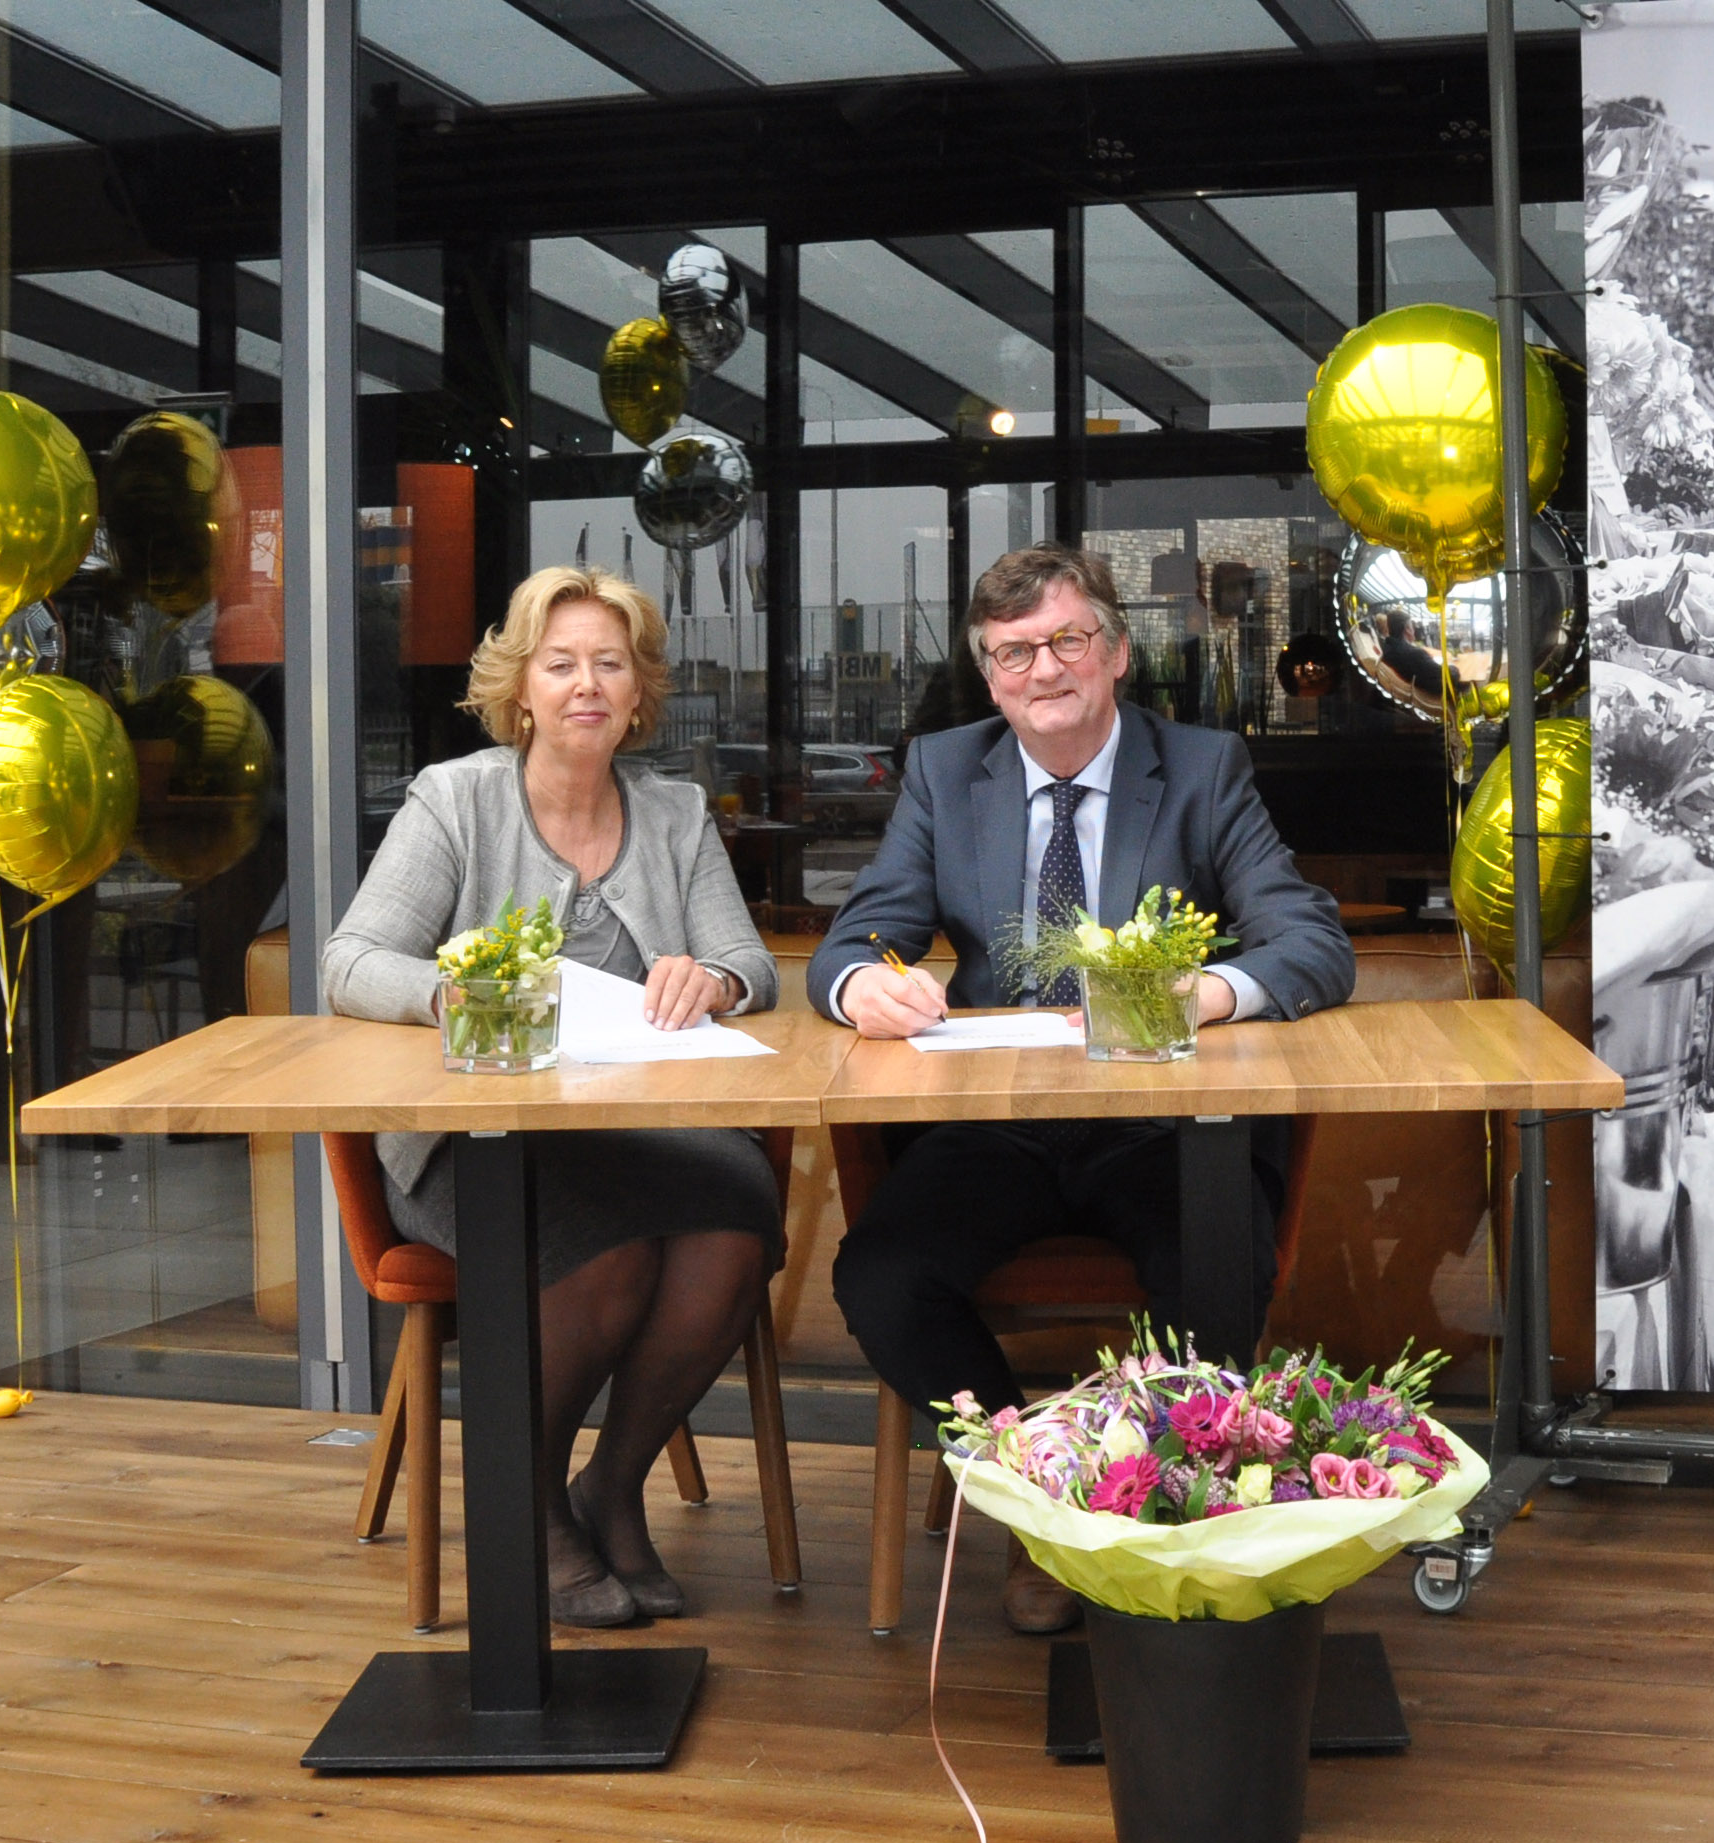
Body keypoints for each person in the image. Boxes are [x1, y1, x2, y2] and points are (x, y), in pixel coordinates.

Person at [819, 542, 1354, 1634]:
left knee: (1214, 1263)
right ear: (990, 676)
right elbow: (859, 935)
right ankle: (1047, 1511)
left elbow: (1309, 940)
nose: (1044, 668)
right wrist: (862, 985)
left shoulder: (1200, 768)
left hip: (1161, 1120)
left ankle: (1153, 1509)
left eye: (1067, 639)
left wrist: (1203, 993)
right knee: (881, 1277)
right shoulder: (945, 769)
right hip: (997, 1124)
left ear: (1115, 653)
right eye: (1014, 652)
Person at [323, 565, 783, 1631]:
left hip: (636, 1132)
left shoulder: (673, 811)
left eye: (609, 664)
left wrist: (713, 980)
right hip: (475, 1140)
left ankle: (609, 1486)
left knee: (737, 1216)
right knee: (606, 1244)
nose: (587, 685)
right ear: (520, 686)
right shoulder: (458, 800)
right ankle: (523, 1502)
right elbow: (349, 961)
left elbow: (750, 964)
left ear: (638, 690)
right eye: (561, 663)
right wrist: (458, 993)